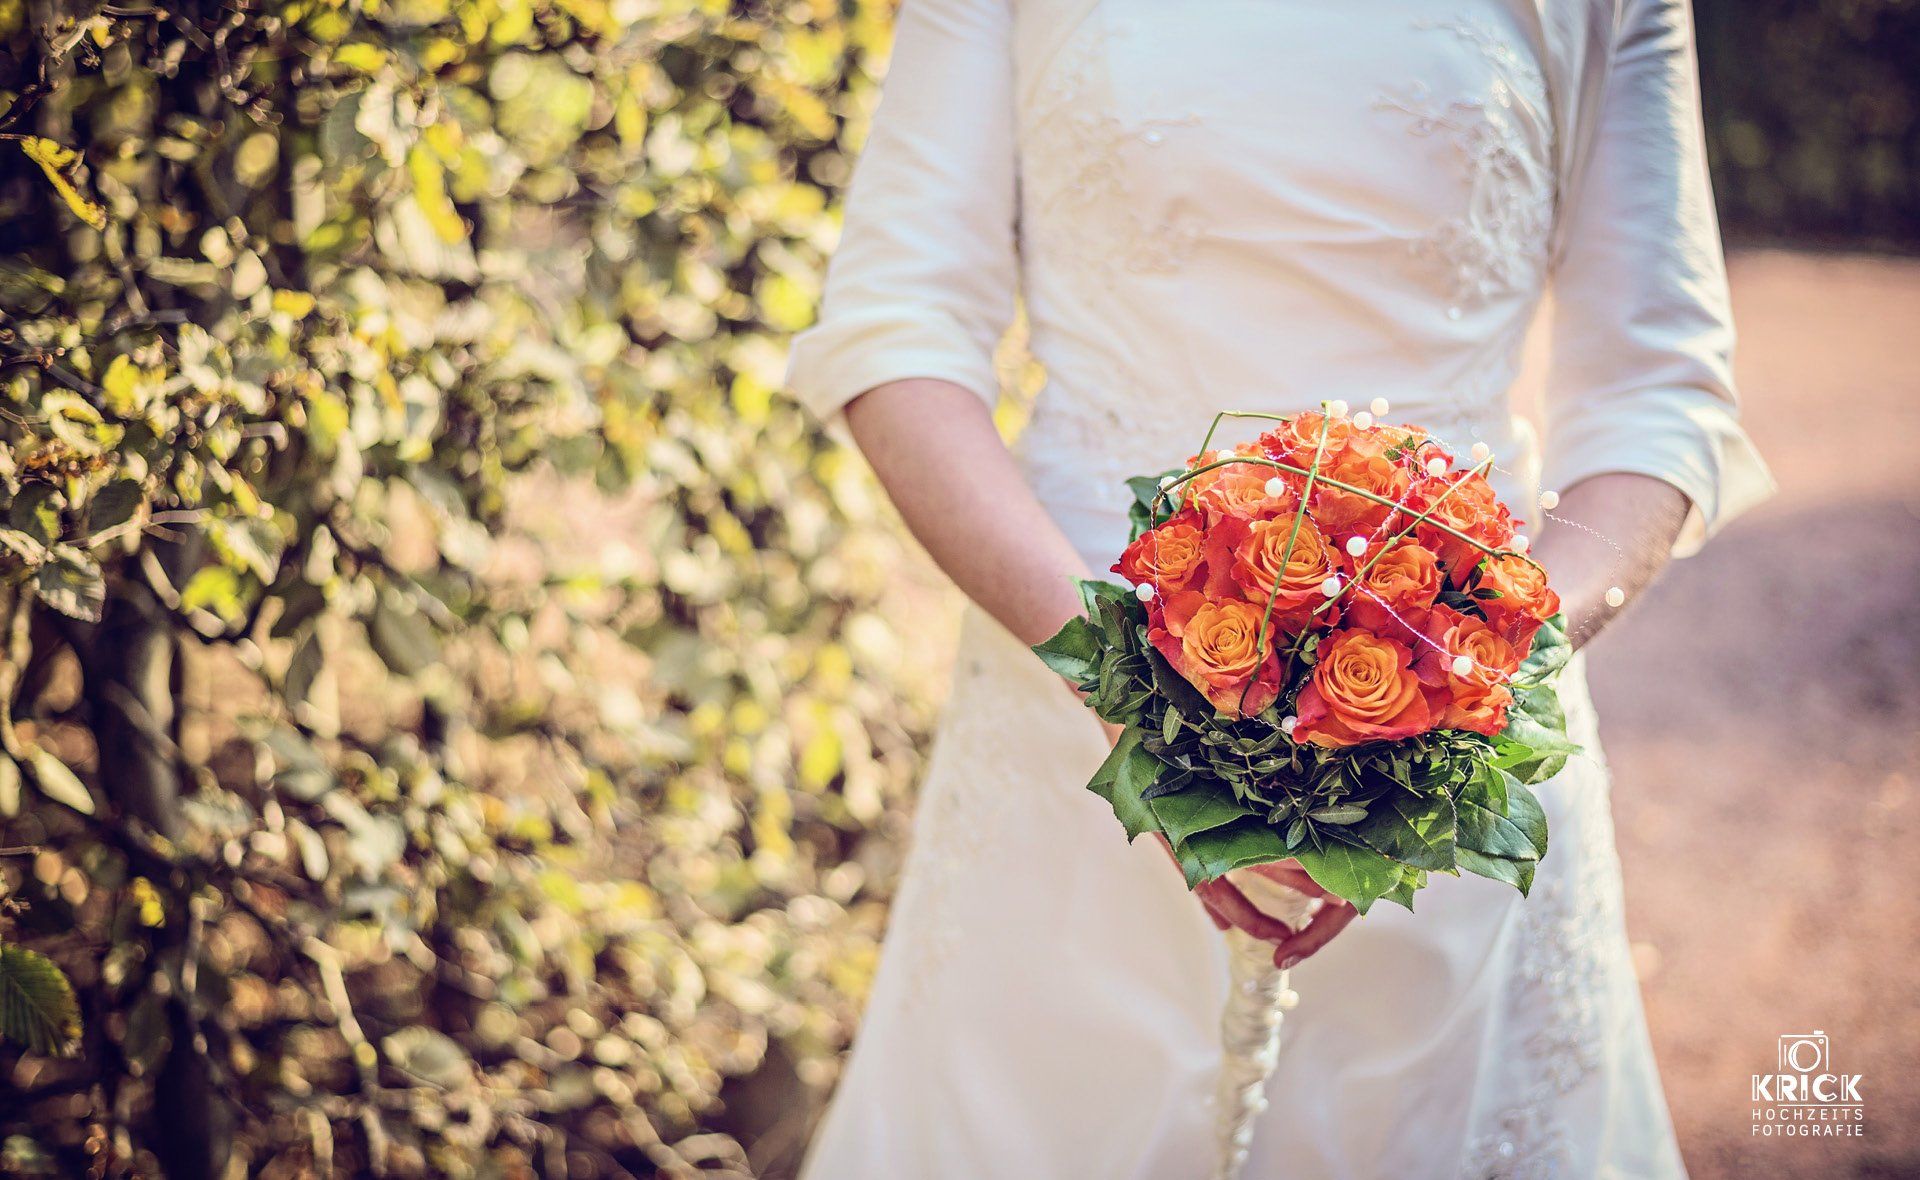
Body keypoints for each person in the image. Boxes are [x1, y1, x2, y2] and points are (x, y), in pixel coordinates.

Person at [784, 0, 1773, 1175]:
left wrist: (1468, 694)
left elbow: (1657, 396)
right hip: (1070, 714)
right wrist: (1123, 691)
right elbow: (898, 331)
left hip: (1455, 738)